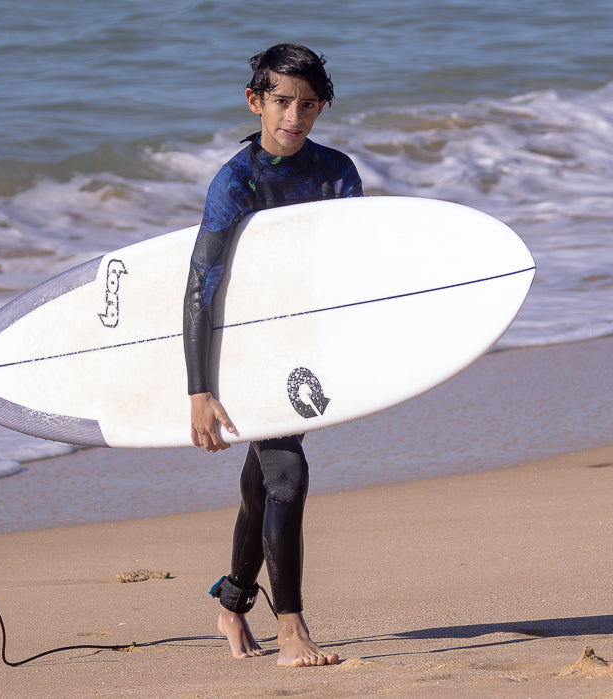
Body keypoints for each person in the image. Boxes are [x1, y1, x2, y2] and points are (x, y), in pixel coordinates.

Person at [182, 43, 363, 667]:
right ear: (257, 102)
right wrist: (199, 391)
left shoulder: (338, 172)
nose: (295, 116)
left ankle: (233, 604)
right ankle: (292, 631)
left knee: (262, 489)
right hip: (244, 347)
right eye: (282, 101)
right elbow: (199, 288)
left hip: (304, 345)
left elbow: (349, 271)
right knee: (288, 476)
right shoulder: (236, 182)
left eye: (308, 104)